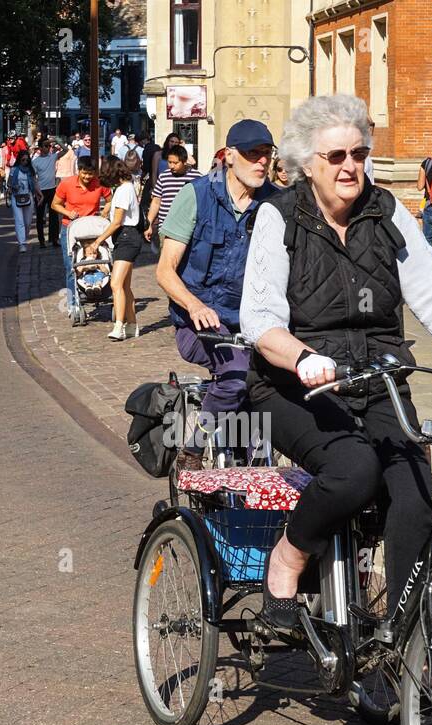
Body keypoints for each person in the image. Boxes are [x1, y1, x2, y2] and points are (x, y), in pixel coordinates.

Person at [238, 94, 432, 626]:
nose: (350, 166)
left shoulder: (387, 213)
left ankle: (399, 644)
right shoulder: (279, 215)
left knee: (419, 494)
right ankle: (288, 559)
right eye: (335, 156)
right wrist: (303, 356)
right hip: (293, 387)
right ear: (307, 164)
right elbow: (261, 320)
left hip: (376, 380)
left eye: (358, 153)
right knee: (355, 470)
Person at [156, 120, 279, 470]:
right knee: (237, 374)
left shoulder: (277, 204)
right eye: (252, 154)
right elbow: (164, 271)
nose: (261, 162)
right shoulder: (195, 196)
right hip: (199, 324)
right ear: (228, 156)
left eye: (266, 154)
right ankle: (192, 449)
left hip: (253, 321)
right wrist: (194, 305)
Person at [85, 158, 143, 340]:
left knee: (115, 283)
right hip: (125, 238)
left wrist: (97, 241)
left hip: (127, 237)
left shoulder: (124, 190)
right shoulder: (124, 188)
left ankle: (119, 326)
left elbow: (117, 221)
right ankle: (132, 325)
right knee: (124, 285)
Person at [51, 156, 111, 321]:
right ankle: (72, 303)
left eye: (90, 174)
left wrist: (105, 211)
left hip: (92, 229)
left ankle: (97, 288)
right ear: (79, 171)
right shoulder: (67, 184)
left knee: (98, 261)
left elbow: (110, 200)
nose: (87, 177)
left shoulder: (99, 183)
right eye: (84, 174)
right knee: (70, 266)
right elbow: (54, 204)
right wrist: (68, 213)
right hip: (71, 229)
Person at [144, 144, 199, 251]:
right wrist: (149, 224)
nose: (172, 166)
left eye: (176, 163)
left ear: (184, 161)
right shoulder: (164, 177)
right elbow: (156, 202)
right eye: (170, 162)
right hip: (165, 230)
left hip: (188, 230)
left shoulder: (196, 177)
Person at [31, 140, 61, 249]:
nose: (48, 148)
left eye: (49, 146)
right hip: (41, 191)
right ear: (40, 148)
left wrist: (56, 141)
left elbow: (66, 150)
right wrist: (37, 192)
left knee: (54, 216)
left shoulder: (52, 157)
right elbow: (33, 178)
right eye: (45, 146)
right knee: (40, 217)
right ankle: (41, 241)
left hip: (52, 189)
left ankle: (54, 239)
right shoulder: (35, 161)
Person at [8, 150, 38, 253]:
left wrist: (39, 194)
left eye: (27, 159)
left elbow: (35, 183)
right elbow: (9, 183)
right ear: (19, 159)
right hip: (16, 196)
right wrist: (13, 186)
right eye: (23, 159)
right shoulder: (14, 169)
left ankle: (24, 237)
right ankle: (22, 243)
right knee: (19, 221)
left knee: (28, 222)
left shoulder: (30, 170)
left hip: (28, 196)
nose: (25, 161)